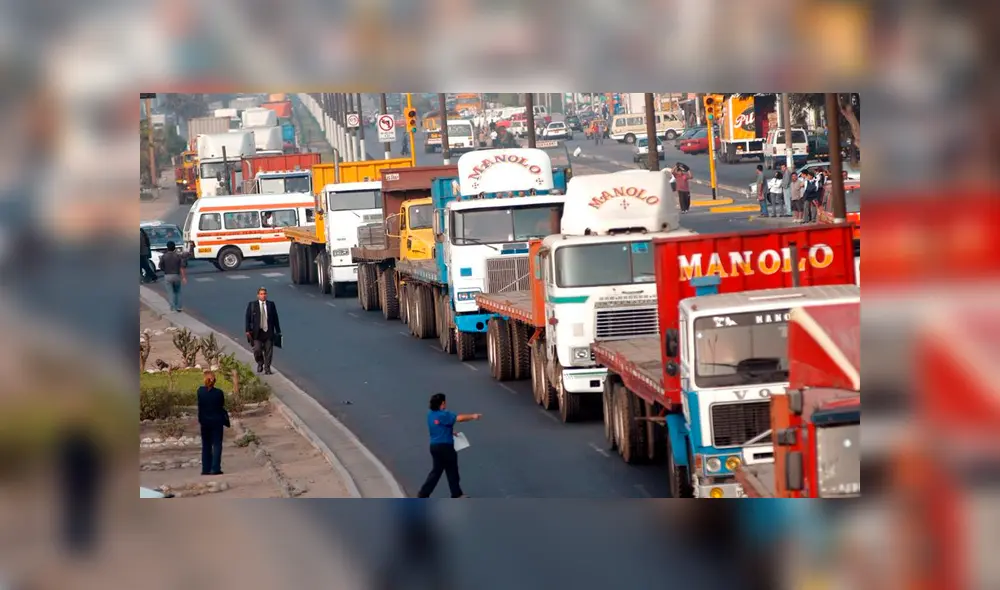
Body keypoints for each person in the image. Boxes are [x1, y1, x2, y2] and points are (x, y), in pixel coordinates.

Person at [416, 393, 481, 498]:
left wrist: (450, 432)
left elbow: (438, 426)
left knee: (436, 472)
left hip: (434, 447)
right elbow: (459, 418)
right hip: (446, 447)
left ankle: (423, 493)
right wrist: (473, 416)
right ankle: (456, 494)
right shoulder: (444, 414)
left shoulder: (430, 414)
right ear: (442, 403)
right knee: (452, 470)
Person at [197, 370, 230, 475]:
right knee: (217, 444)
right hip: (217, 421)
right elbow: (221, 404)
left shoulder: (200, 391)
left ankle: (205, 468)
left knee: (206, 445)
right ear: (214, 380)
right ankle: (215, 468)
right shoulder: (219, 393)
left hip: (204, 421)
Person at [245, 287, 282, 375]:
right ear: (258, 295)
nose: (263, 296)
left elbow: (275, 318)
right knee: (257, 350)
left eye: (264, 294)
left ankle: (267, 368)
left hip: (268, 332)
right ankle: (260, 363)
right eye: (261, 294)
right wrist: (247, 330)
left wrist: (278, 330)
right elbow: (247, 318)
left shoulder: (271, 304)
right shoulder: (252, 305)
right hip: (257, 333)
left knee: (268, 351)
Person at [159, 241, 186, 312]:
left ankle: (172, 307)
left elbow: (161, 266)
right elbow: (182, 267)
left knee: (170, 292)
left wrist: (165, 269)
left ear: (167, 247)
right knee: (178, 292)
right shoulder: (178, 256)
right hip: (176, 275)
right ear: (174, 248)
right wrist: (183, 277)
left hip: (167, 275)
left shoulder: (164, 256)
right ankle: (179, 307)